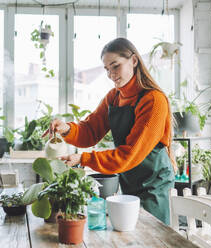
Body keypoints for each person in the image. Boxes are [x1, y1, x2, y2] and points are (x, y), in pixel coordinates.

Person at [43, 37, 176, 225]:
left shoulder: (154, 100)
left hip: (153, 184)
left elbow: (130, 154)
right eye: (106, 69)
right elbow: (90, 131)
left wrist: (84, 159)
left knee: (152, 237)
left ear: (134, 61)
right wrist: (66, 129)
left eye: (115, 66)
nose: (111, 74)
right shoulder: (114, 97)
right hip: (129, 178)